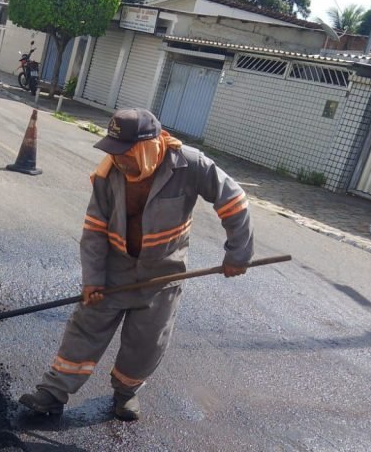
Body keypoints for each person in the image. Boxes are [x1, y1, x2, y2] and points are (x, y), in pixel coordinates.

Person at [18, 108, 253, 421]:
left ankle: (125, 394)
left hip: (163, 274)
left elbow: (234, 201)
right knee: (86, 327)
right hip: (115, 268)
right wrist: (93, 279)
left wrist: (238, 253)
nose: (118, 159)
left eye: (125, 152)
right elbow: (94, 229)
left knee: (146, 342)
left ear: (148, 145)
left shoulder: (190, 165)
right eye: (113, 151)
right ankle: (53, 392)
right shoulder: (108, 174)